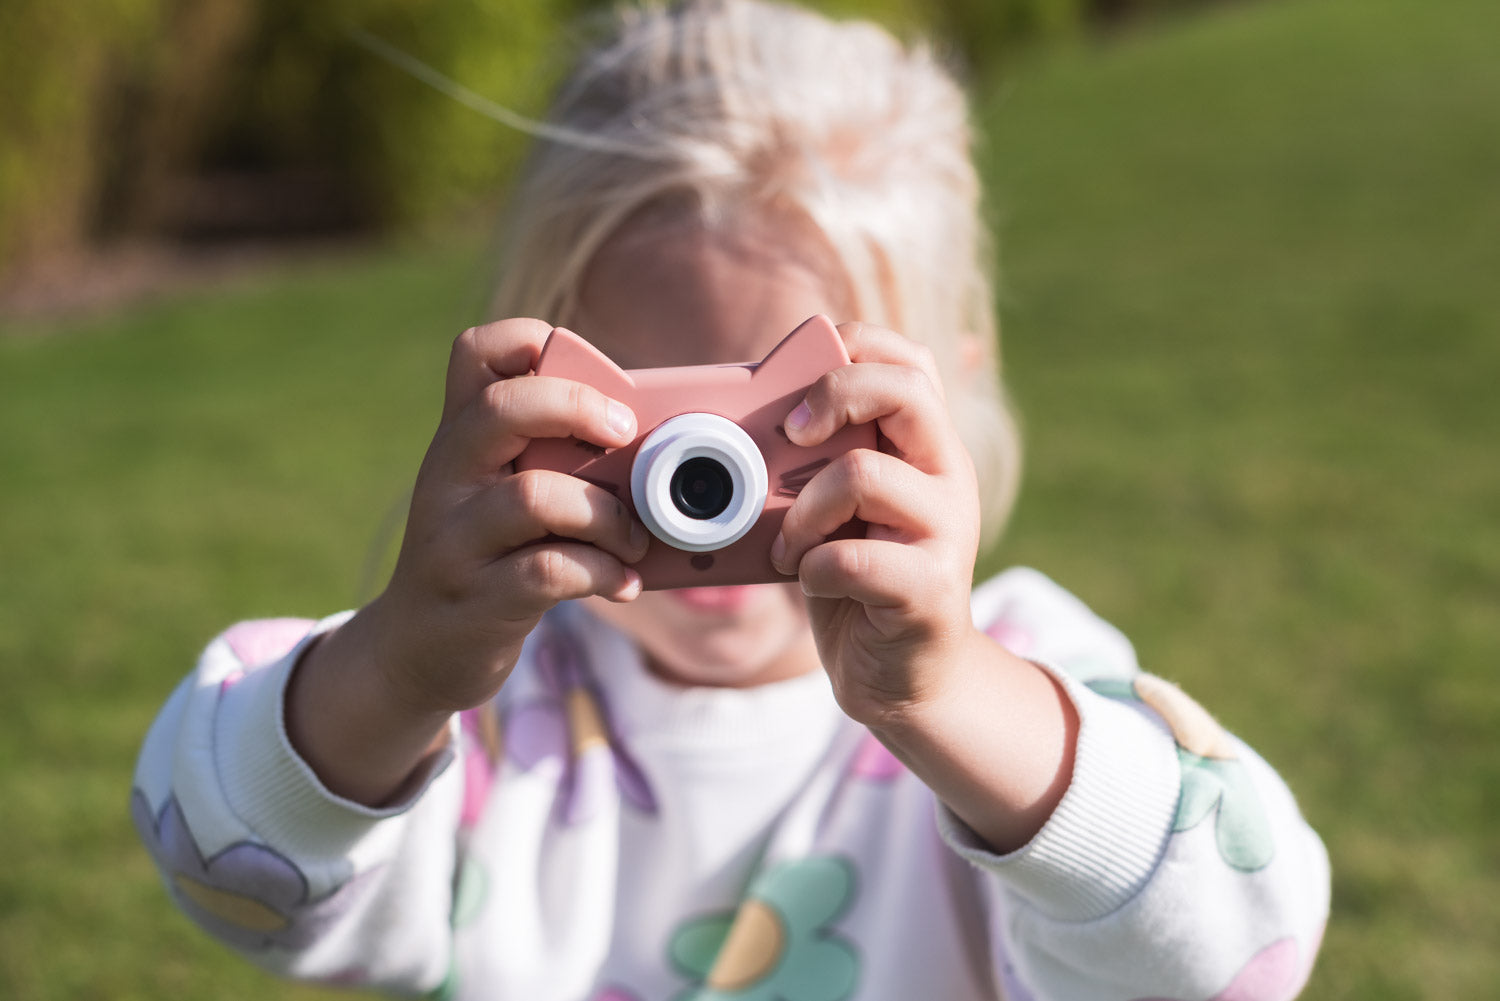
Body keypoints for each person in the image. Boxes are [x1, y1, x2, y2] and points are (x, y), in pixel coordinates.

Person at [131, 1, 1330, 998]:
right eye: (649, 429)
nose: (709, 494)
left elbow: (1236, 949)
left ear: (944, 408)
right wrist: (397, 669)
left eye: (796, 421)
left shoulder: (1014, 684)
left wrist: (956, 693)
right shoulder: (485, 711)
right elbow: (226, 855)